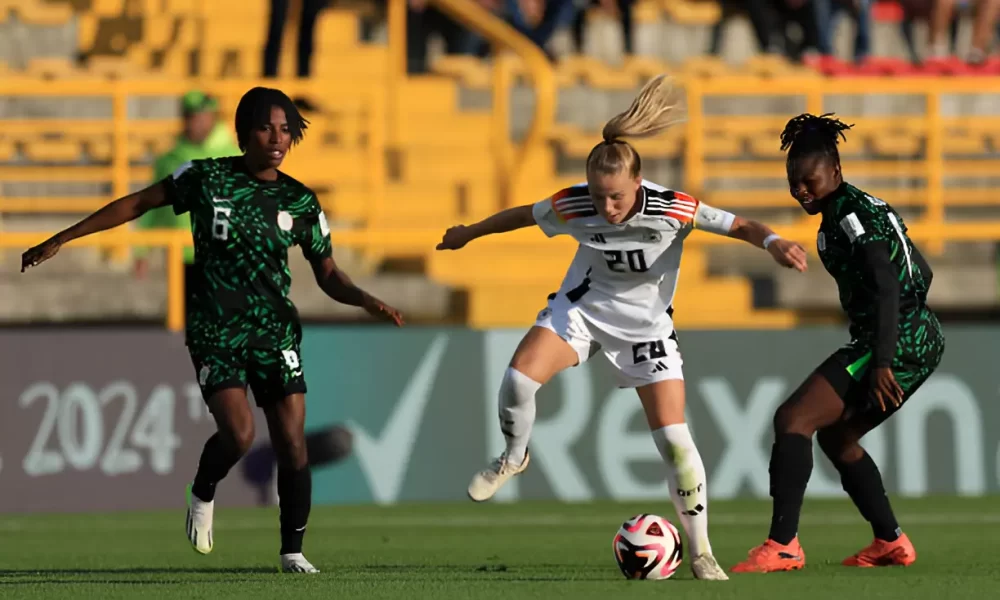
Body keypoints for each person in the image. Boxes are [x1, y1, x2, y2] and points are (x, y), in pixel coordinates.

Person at [435, 75, 809, 582]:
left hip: (647, 329)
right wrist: (469, 233)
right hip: (583, 311)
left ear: (638, 184)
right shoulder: (575, 204)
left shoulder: (674, 207)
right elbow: (522, 216)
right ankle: (513, 457)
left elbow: (740, 225)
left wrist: (775, 243)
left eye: (614, 197)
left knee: (676, 441)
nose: (606, 208)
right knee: (518, 379)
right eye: (598, 196)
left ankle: (700, 553)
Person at [21, 86, 404, 574]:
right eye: (266, 127)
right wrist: (63, 237)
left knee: (292, 441)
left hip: (274, 330)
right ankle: (203, 490)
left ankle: (292, 551)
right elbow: (140, 203)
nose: (277, 138)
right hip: (215, 327)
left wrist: (364, 298)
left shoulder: (300, 200)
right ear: (244, 132)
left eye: (286, 129)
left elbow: (327, 273)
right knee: (241, 434)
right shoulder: (206, 177)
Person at [731, 113, 945, 574]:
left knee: (793, 418)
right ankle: (890, 541)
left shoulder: (848, 215)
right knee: (839, 435)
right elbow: (920, 271)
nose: (801, 190)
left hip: (893, 340)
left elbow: (888, 283)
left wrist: (884, 358)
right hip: (915, 334)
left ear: (836, 172)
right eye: (794, 183)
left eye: (808, 180)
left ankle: (783, 544)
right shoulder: (864, 206)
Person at [134, 90, 241, 279]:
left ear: (213, 117)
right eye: (191, 116)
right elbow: (152, 207)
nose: (195, 123)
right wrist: (142, 249)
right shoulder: (169, 159)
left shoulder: (236, 158)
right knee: (185, 308)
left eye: (201, 116)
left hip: (226, 256)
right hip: (181, 255)